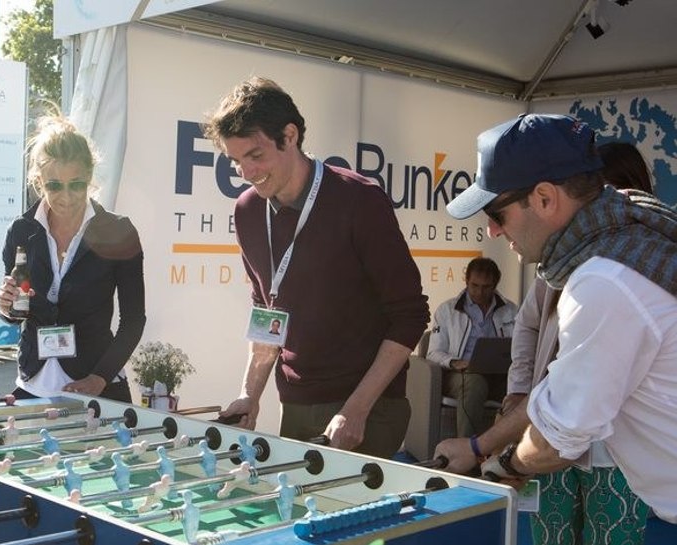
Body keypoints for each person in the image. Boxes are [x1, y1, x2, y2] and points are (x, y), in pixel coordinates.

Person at [443, 114, 677, 529]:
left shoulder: (603, 281)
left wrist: (503, 465)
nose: (494, 232)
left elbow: (556, 441)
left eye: (497, 213)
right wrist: (481, 444)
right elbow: (556, 392)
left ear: (546, 198)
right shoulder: (628, 230)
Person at [206, 76, 430, 457]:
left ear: (289, 136)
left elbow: (411, 316)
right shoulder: (246, 210)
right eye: (235, 160)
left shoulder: (360, 200)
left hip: (368, 409)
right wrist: (250, 394)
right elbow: (267, 311)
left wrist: (356, 409)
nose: (245, 172)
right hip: (296, 402)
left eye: (255, 155)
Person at [0, 115, 145, 402]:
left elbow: (134, 320)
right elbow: (17, 314)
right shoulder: (21, 231)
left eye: (76, 184)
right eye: (54, 185)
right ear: (39, 182)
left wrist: (99, 378)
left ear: (90, 177)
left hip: (99, 386)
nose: (66, 197)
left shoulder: (118, 231)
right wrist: (5, 305)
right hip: (33, 385)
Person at [426, 257, 517, 438]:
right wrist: (455, 362)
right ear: (466, 281)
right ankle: (466, 451)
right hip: (459, 375)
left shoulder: (511, 310)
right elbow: (432, 353)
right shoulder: (447, 310)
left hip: (500, 374)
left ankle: (511, 455)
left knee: (529, 386)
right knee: (475, 383)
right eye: (474, 286)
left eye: (486, 287)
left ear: (495, 284)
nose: (480, 292)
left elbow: (521, 347)